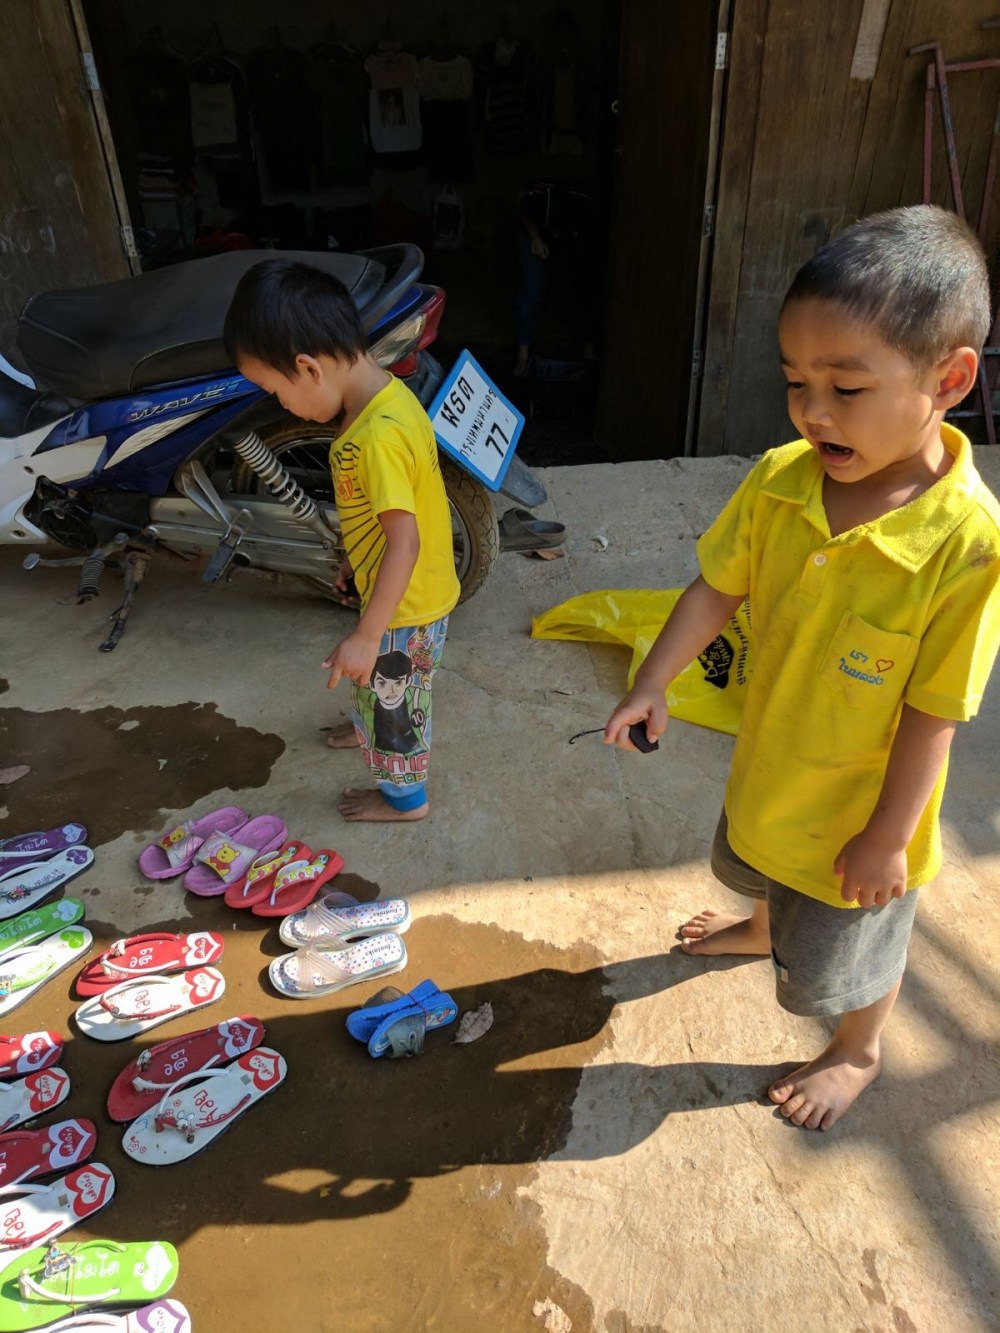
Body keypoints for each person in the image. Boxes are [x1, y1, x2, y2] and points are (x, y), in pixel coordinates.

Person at [604, 205, 1000, 1130]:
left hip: (859, 824)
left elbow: (934, 713)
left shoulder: (967, 547)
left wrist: (888, 838)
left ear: (948, 380)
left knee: (850, 958)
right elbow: (716, 588)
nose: (812, 411)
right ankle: (760, 928)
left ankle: (858, 1047)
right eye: (794, 381)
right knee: (754, 868)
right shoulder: (782, 479)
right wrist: (653, 680)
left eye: (846, 387)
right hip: (772, 767)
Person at [224, 259, 460, 822]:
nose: (281, 404)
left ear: (308, 368)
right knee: (379, 683)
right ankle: (367, 721)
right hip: (408, 594)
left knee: (395, 705)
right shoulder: (387, 397)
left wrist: (369, 633)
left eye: (275, 391)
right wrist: (358, 564)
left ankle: (405, 801)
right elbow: (391, 518)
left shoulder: (375, 439)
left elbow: (404, 544)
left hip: (404, 609)